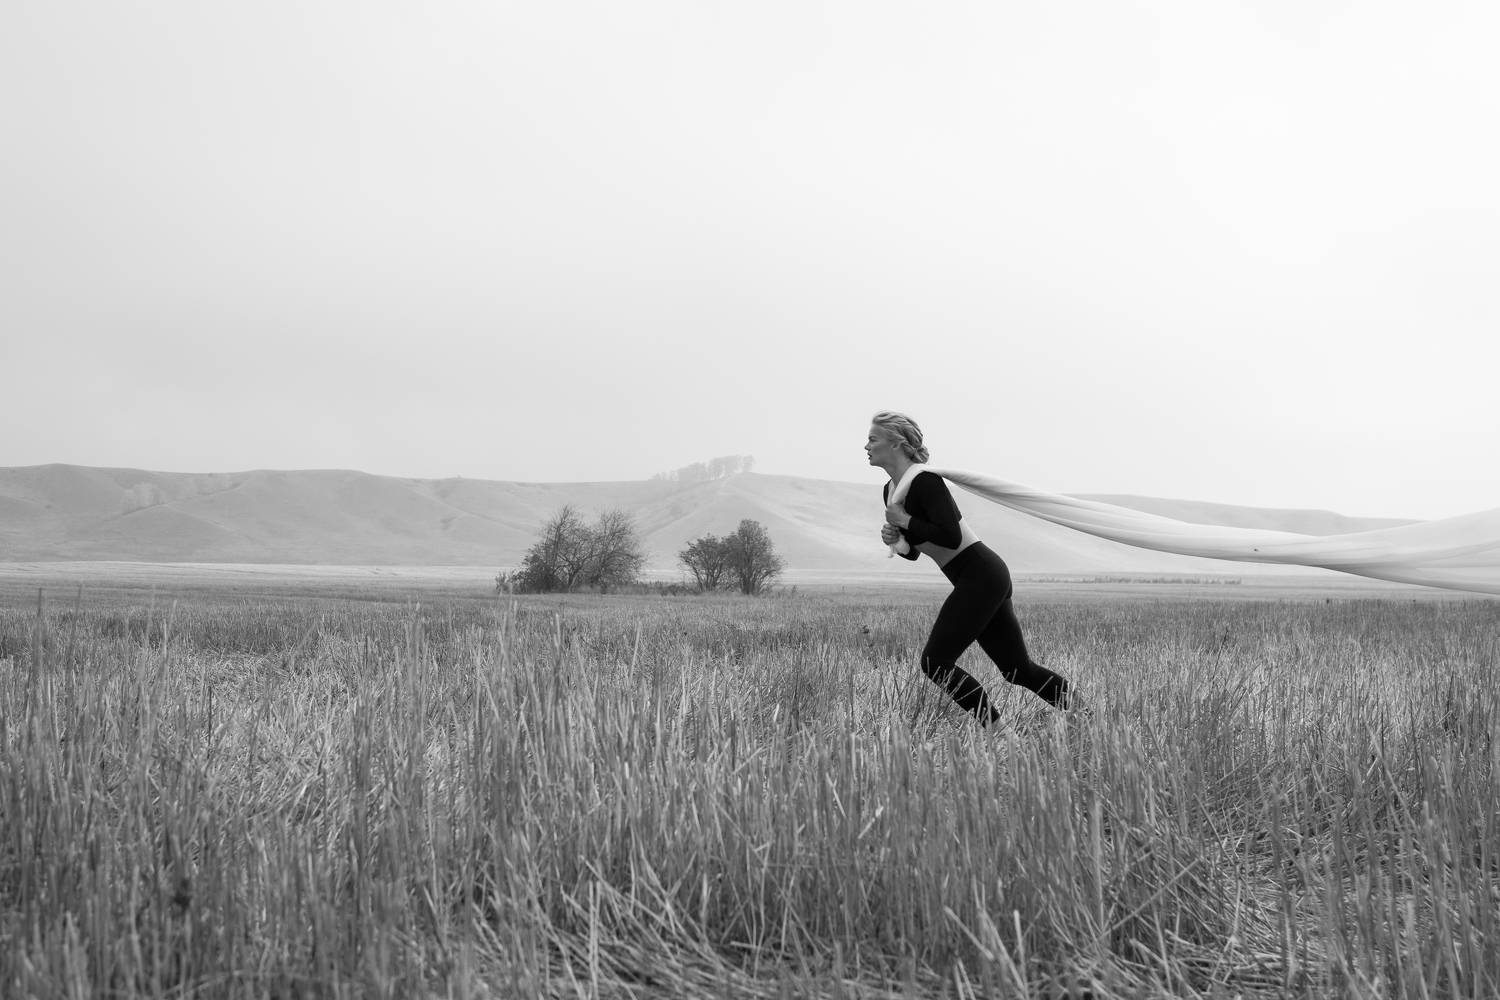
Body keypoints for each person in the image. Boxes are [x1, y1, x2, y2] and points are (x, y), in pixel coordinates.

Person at [867, 411, 1073, 725]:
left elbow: (950, 536)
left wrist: (904, 520)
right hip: (977, 577)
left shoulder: (925, 482)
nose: (866, 446)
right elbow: (916, 552)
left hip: (981, 574)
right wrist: (896, 539)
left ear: (896, 444)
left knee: (935, 662)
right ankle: (1090, 717)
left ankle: (998, 733)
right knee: (1017, 670)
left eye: (873, 439)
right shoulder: (891, 490)